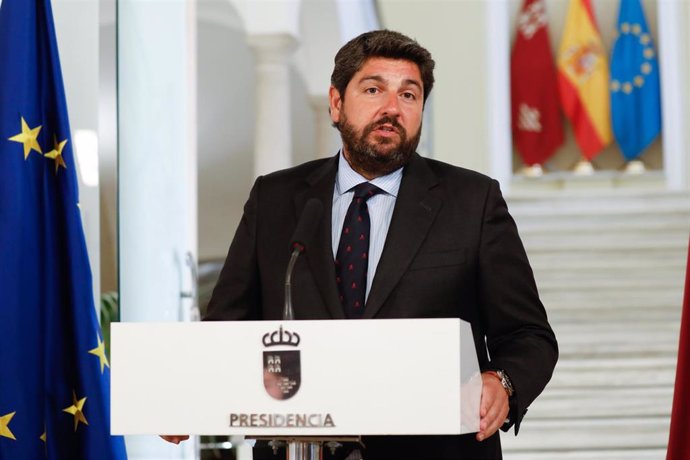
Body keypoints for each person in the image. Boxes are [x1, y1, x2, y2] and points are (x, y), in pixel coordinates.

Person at [165, 29, 558, 459]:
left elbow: (529, 336)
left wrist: (502, 382)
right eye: (374, 89)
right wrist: (191, 392)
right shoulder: (276, 199)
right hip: (300, 447)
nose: (392, 108)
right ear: (336, 103)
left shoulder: (471, 201)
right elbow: (228, 327)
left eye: (409, 95)